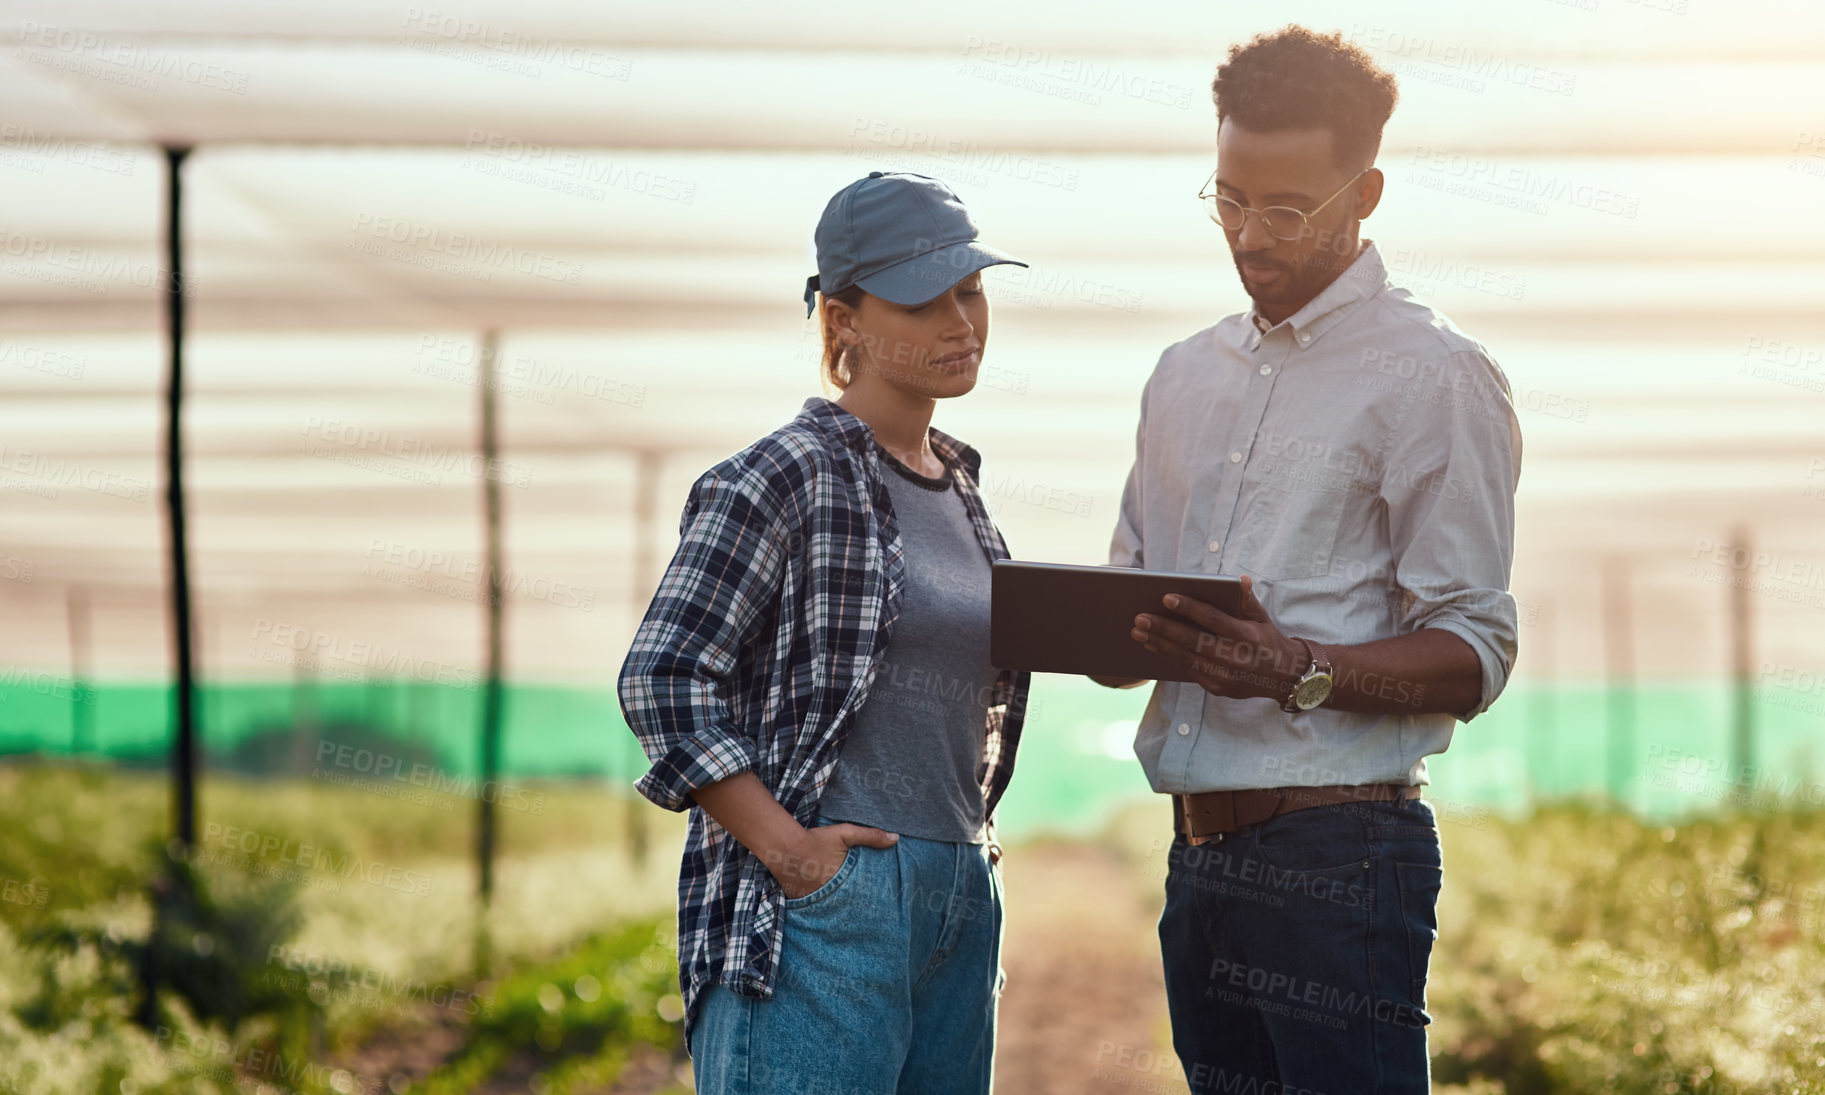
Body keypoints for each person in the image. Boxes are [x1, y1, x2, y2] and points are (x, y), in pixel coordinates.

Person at [1093, 26, 1522, 1093]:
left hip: (1339, 860)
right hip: (1198, 858)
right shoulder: (1180, 377)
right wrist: (1094, 631)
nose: (1250, 234)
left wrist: (1294, 668)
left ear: (1364, 191)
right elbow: (1130, 598)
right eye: (1231, 198)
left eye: (1287, 208)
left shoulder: (1434, 377)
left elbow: (1475, 652)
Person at [617, 170, 1033, 1095]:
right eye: (926, 300)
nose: (961, 320)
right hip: (826, 902)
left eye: (972, 290)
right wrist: (795, 855)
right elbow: (663, 678)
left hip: (958, 891)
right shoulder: (781, 474)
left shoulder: (960, 489)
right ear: (842, 320)